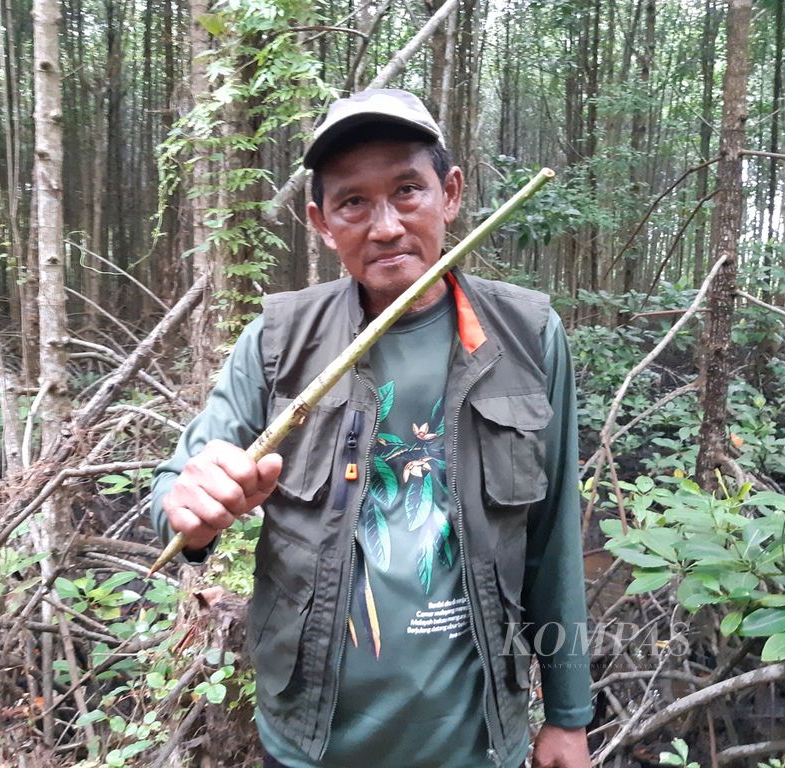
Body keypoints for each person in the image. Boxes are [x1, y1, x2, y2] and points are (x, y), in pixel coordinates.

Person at [151, 89, 593, 768]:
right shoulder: (277, 341)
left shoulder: (529, 337)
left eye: (407, 191)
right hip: (308, 743)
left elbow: (555, 532)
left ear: (449, 194)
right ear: (321, 222)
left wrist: (567, 714)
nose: (385, 226)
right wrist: (191, 507)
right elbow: (177, 491)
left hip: (475, 743)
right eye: (353, 202)